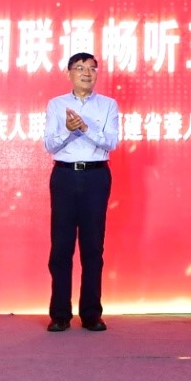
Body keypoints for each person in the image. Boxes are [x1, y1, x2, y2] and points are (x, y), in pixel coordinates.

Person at [43, 52, 120, 332]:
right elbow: (49, 144)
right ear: (69, 73)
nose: (86, 73)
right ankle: (60, 314)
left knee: (93, 247)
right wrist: (67, 130)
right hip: (64, 176)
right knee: (61, 247)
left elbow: (112, 142)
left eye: (91, 68)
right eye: (80, 68)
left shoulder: (108, 105)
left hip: (96, 176)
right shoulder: (56, 104)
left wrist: (85, 128)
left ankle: (91, 314)